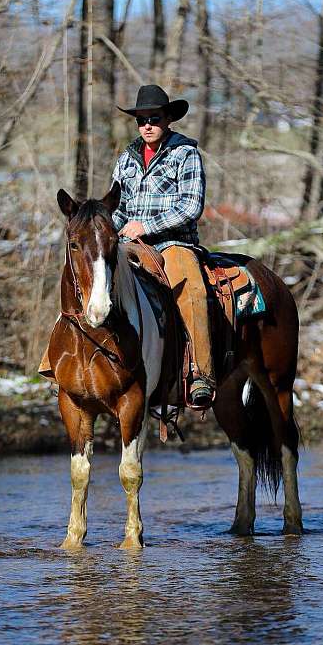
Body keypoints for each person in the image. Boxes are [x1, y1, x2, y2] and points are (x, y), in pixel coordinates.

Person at [111, 84, 215, 409]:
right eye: (141, 119)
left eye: (154, 118)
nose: (147, 125)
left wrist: (147, 226)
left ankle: (201, 374)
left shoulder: (185, 153)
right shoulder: (125, 159)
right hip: (129, 244)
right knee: (92, 276)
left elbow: (191, 206)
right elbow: (117, 207)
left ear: (168, 119)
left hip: (174, 244)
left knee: (192, 291)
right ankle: (62, 364)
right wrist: (112, 229)